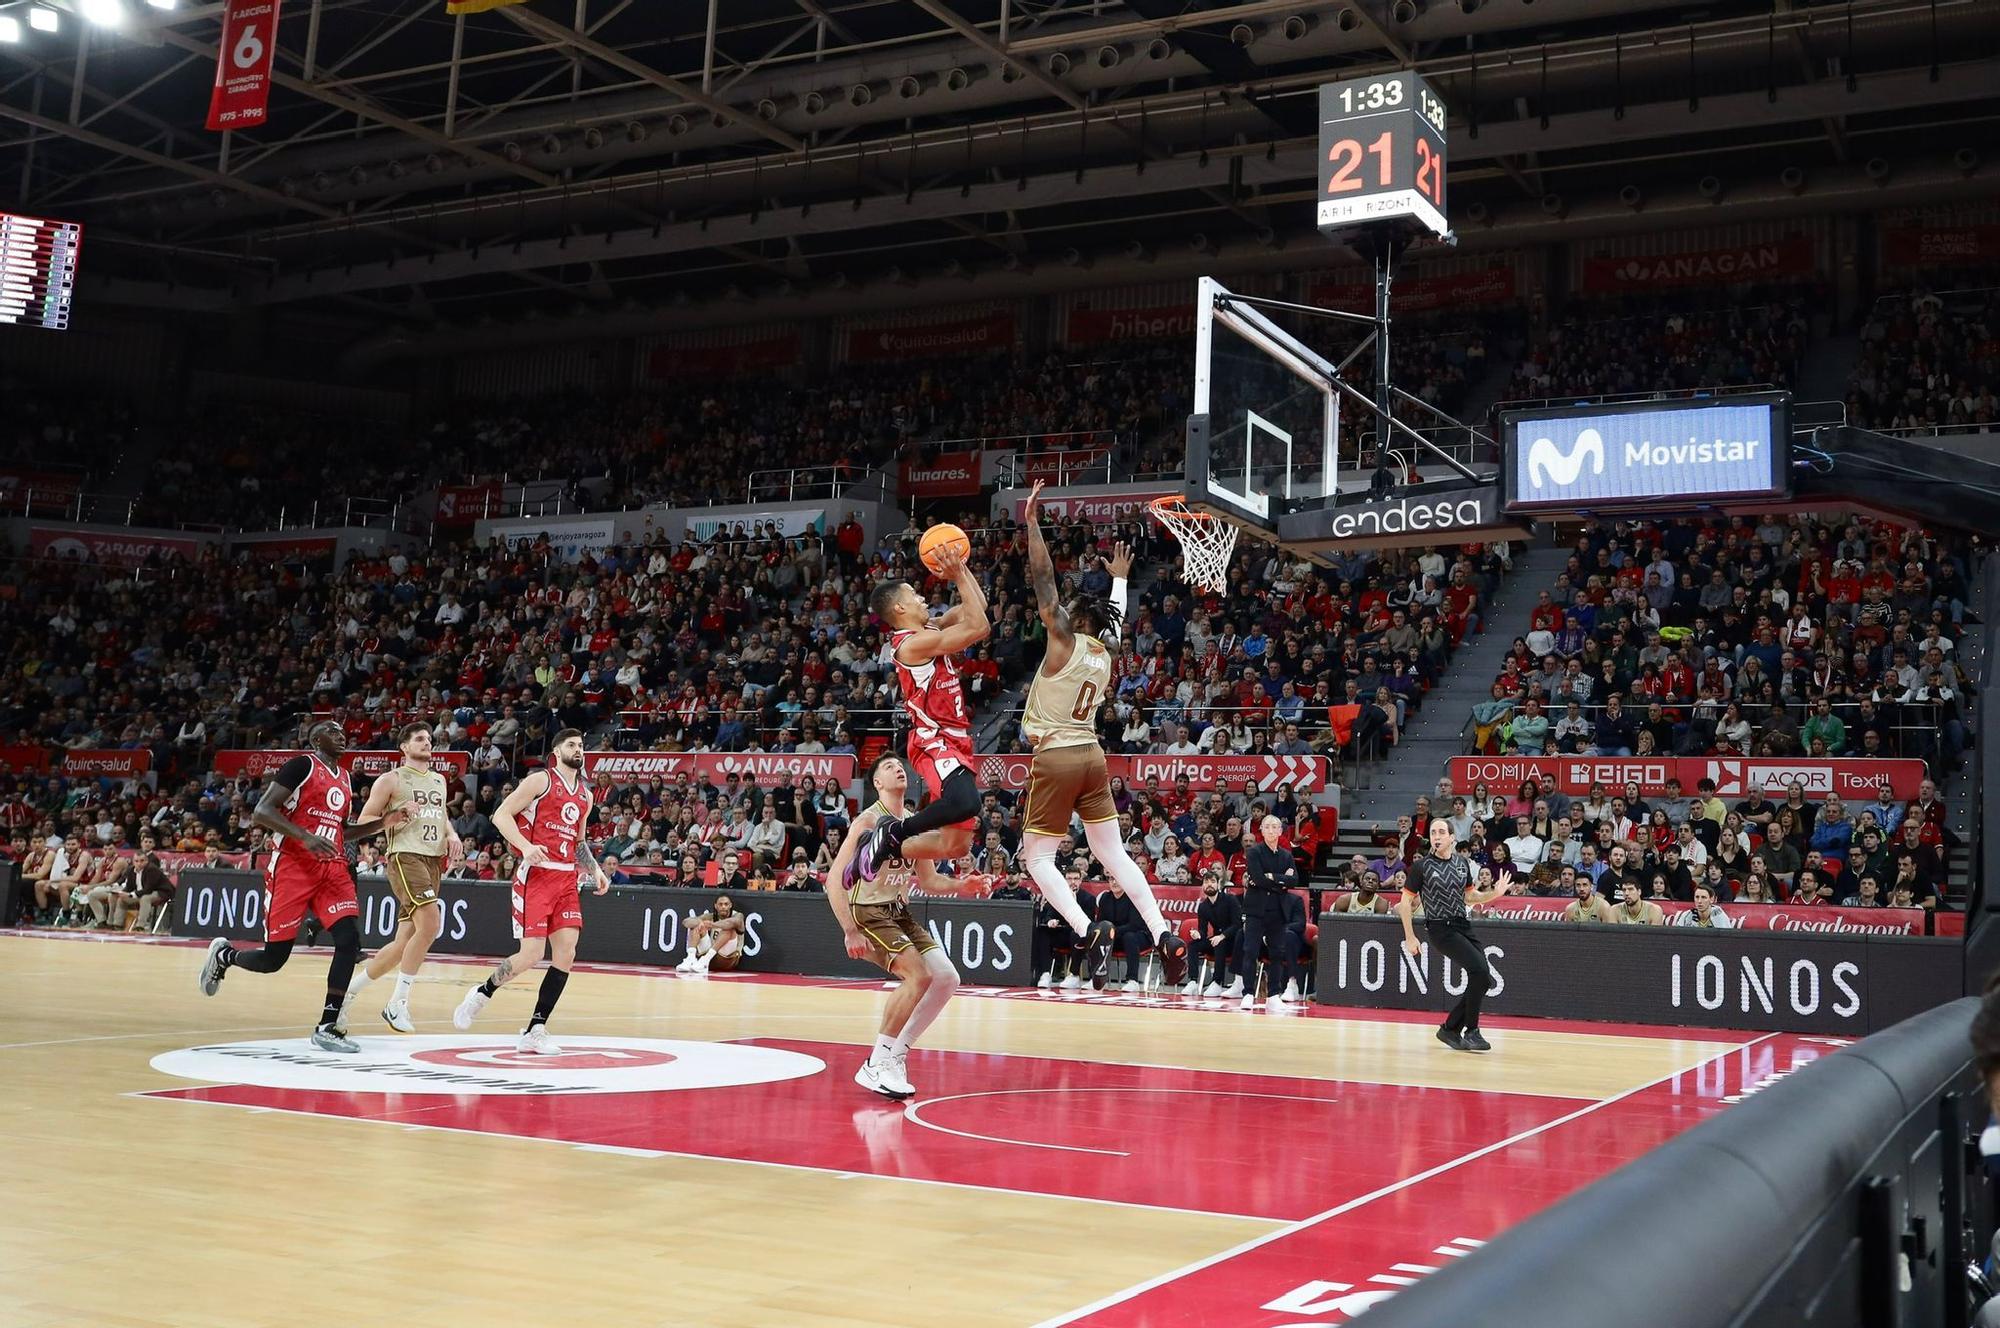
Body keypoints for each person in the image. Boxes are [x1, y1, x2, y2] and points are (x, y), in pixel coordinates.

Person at [999, 481, 1187, 991]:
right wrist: (1121, 581)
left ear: (1075, 620)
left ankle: (1087, 931)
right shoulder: (1105, 653)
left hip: (1058, 754)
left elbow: (1043, 583)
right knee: (1114, 854)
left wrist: (1033, 525)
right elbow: (1117, 624)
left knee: (1036, 857)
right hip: (1092, 756)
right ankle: (1164, 931)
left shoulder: (1063, 641)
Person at [197, 722, 407, 1053]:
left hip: (332, 869)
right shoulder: (302, 765)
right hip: (293, 866)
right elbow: (262, 811)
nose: (342, 735)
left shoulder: (345, 777)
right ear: (315, 739)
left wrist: (382, 823)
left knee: (349, 941)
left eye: (343, 731)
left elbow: (340, 832)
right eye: (333, 731)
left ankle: (328, 1025)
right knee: (273, 959)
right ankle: (225, 955)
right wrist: (305, 837)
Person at [453, 729, 611, 1053]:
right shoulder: (541, 781)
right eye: (571, 745)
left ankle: (536, 1027)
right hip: (536, 876)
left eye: (581, 745)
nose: (578, 749)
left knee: (567, 951)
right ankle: (483, 992)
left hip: (566, 878)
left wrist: (594, 869)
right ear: (556, 751)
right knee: (532, 954)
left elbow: (579, 842)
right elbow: (500, 815)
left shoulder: (585, 794)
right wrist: (525, 847)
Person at [848, 542, 990, 881]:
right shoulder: (911, 644)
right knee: (967, 803)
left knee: (956, 846)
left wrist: (962, 569)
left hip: (956, 740)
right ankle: (894, 831)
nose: (924, 598)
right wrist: (956, 575)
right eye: (915, 595)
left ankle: (879, 844)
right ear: (899, 607)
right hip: (933, 738)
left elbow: (979, 606)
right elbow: (979, 628)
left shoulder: (932, 629)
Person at [824, 755, 961, 1099]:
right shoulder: (867, 821)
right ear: (877, 784)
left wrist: (964, 885)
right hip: (868, 910)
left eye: (900, 765)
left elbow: (929, 880)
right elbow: (833, 881)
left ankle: (895, 1055)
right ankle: (876, 1062)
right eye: (888, 767)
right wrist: (849, 929)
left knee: (946, 978)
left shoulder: (916, 823)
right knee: (919, 976)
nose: (898, 768)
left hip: (897, 912)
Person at [341, 721, 463, 1033]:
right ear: (404, 747)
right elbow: (365, 819)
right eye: (420, 739)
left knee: (402, 943)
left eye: (429, 739)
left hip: (433, 858)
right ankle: (398, 1003)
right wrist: (393, 817)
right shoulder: (391, 779)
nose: (428, 743)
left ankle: (345, 994)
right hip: (406, 856)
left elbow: (441, 815)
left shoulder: (438, 779)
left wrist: (452, 834)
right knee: (431, 925)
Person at [1398, 819, 1515, 1052]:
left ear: (1452, 837)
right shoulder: (1422, 867)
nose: (1437, 836)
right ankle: (1471, 1031)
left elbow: (1470, 898)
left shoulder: (1462, 864)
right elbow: (1404, 902)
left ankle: (1450, 1029)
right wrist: (1410, 937)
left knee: (1483, 979)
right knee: (1480, 971)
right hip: (1441, 928)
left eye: (1442, 832)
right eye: (1433, 833)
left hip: (1464, 925)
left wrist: (1496, 893)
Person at [1241, 814, 1301, 1010]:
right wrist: (1281, 881)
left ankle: (1274, 994)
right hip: (1256, 909)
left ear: (1281, 831)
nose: (1271, 830)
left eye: (1275, 827)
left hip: (1278, 910)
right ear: (1262, 830)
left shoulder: (1286, 855)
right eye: (1267, 827)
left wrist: (1272, 877)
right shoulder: (1254, 852)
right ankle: (1248, 993)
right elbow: (1258, 879)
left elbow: (1294, 880)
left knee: (1277, 953)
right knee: (1250, 951)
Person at [1185, 866, 1242, 996]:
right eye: (1206, 882)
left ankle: (1217, 982)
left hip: (1233, 941)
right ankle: (1193, 981)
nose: (1209, 885)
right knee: (1193, 945)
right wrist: (1198, 934)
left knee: (1219, 942)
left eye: (1212, 882)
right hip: (1216, 940)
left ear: (1218, 884)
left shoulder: (1230, 900)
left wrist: (1222, 936)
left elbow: (1237, 924)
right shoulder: (1203, 906)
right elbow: (1203, 930)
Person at [678, 895, 748, 974]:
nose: (723, 907)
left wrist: (713, 925)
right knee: (696, 926)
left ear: (730, 905)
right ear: (716, 906)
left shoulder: (738, 915)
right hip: (709, 956)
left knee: (729, 928)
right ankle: (691, 958)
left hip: (728, 959)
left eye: (726, 904)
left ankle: (706, 959)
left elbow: (734, 922)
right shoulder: (710, 916)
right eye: (720, 904)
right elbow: (686, 922)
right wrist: (700, 923)